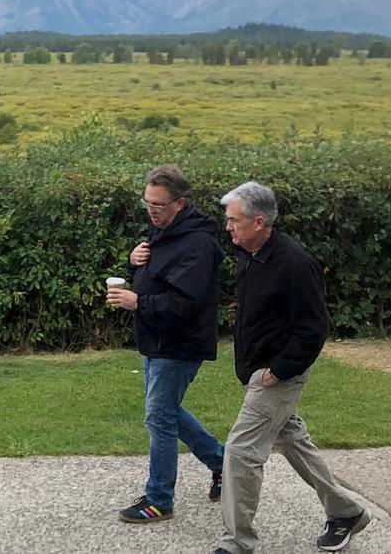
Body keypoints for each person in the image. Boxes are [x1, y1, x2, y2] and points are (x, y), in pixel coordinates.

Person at [212, 182, 369, 554]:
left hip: (277, 375)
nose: (228, 228)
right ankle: (346, 512)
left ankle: (237, 543)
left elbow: (314, 327)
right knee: (292, 440)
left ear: (259, 221)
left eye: (234, 221)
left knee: (240, 453)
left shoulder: (295, 263)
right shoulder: (249, 254)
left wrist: (279, 370)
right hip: (258, 372)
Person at [106, 164, 225, 524]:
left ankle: (159, 500)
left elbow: (185, 302)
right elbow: (155, 276)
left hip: (180, 343)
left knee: (159, 417)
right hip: (157, 340)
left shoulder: (198, 243)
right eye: (147, 204)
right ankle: (223, 465)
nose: (151, 211)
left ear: (180, 202)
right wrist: (135, 262)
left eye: (158, 205)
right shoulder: (164, 232)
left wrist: (137, 301)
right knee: (167, 412)